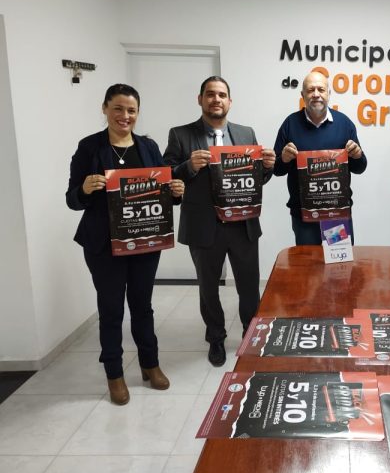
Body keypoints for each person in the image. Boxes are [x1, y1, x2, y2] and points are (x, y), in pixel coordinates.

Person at [66, 84, 185, 405]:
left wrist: (175, 192)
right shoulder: (90, 147)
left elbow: (161, 193)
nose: (125, 116)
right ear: (105, 108)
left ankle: (150, 364)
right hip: (103, 245)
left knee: (142, 306)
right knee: (111, 309)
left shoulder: (148, 146)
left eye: (131, 110)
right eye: (118, 108)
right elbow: (72, 199)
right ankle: (114, 373)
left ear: (138, 113)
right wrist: (85, 189)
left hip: (145, 241)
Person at [163, 76, 275, 367]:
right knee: (208, 288)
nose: (216, 99)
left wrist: (267, 168)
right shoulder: (180, 135)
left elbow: (256, 179)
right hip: (204, 226)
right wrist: (188, 166)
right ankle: (216, 337)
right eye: (210, 94)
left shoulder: (246, 133)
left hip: (242, 225)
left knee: (249, 287)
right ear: (200, 99)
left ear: (230, 101)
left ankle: (251, 334)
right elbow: (165, 177)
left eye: (222, 95)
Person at [273, 71, 367, 244]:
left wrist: (357, 155)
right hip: (304, 217)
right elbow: (276, 169)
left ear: (328, 94)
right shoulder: (290, 124)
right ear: (302, 95)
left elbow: (360, 167)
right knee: (308, 261)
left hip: (336, 214)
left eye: (321, 89)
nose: (316, 94)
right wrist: (284, 158)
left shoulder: (344, 123)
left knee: (338, 260)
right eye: (310, 90)